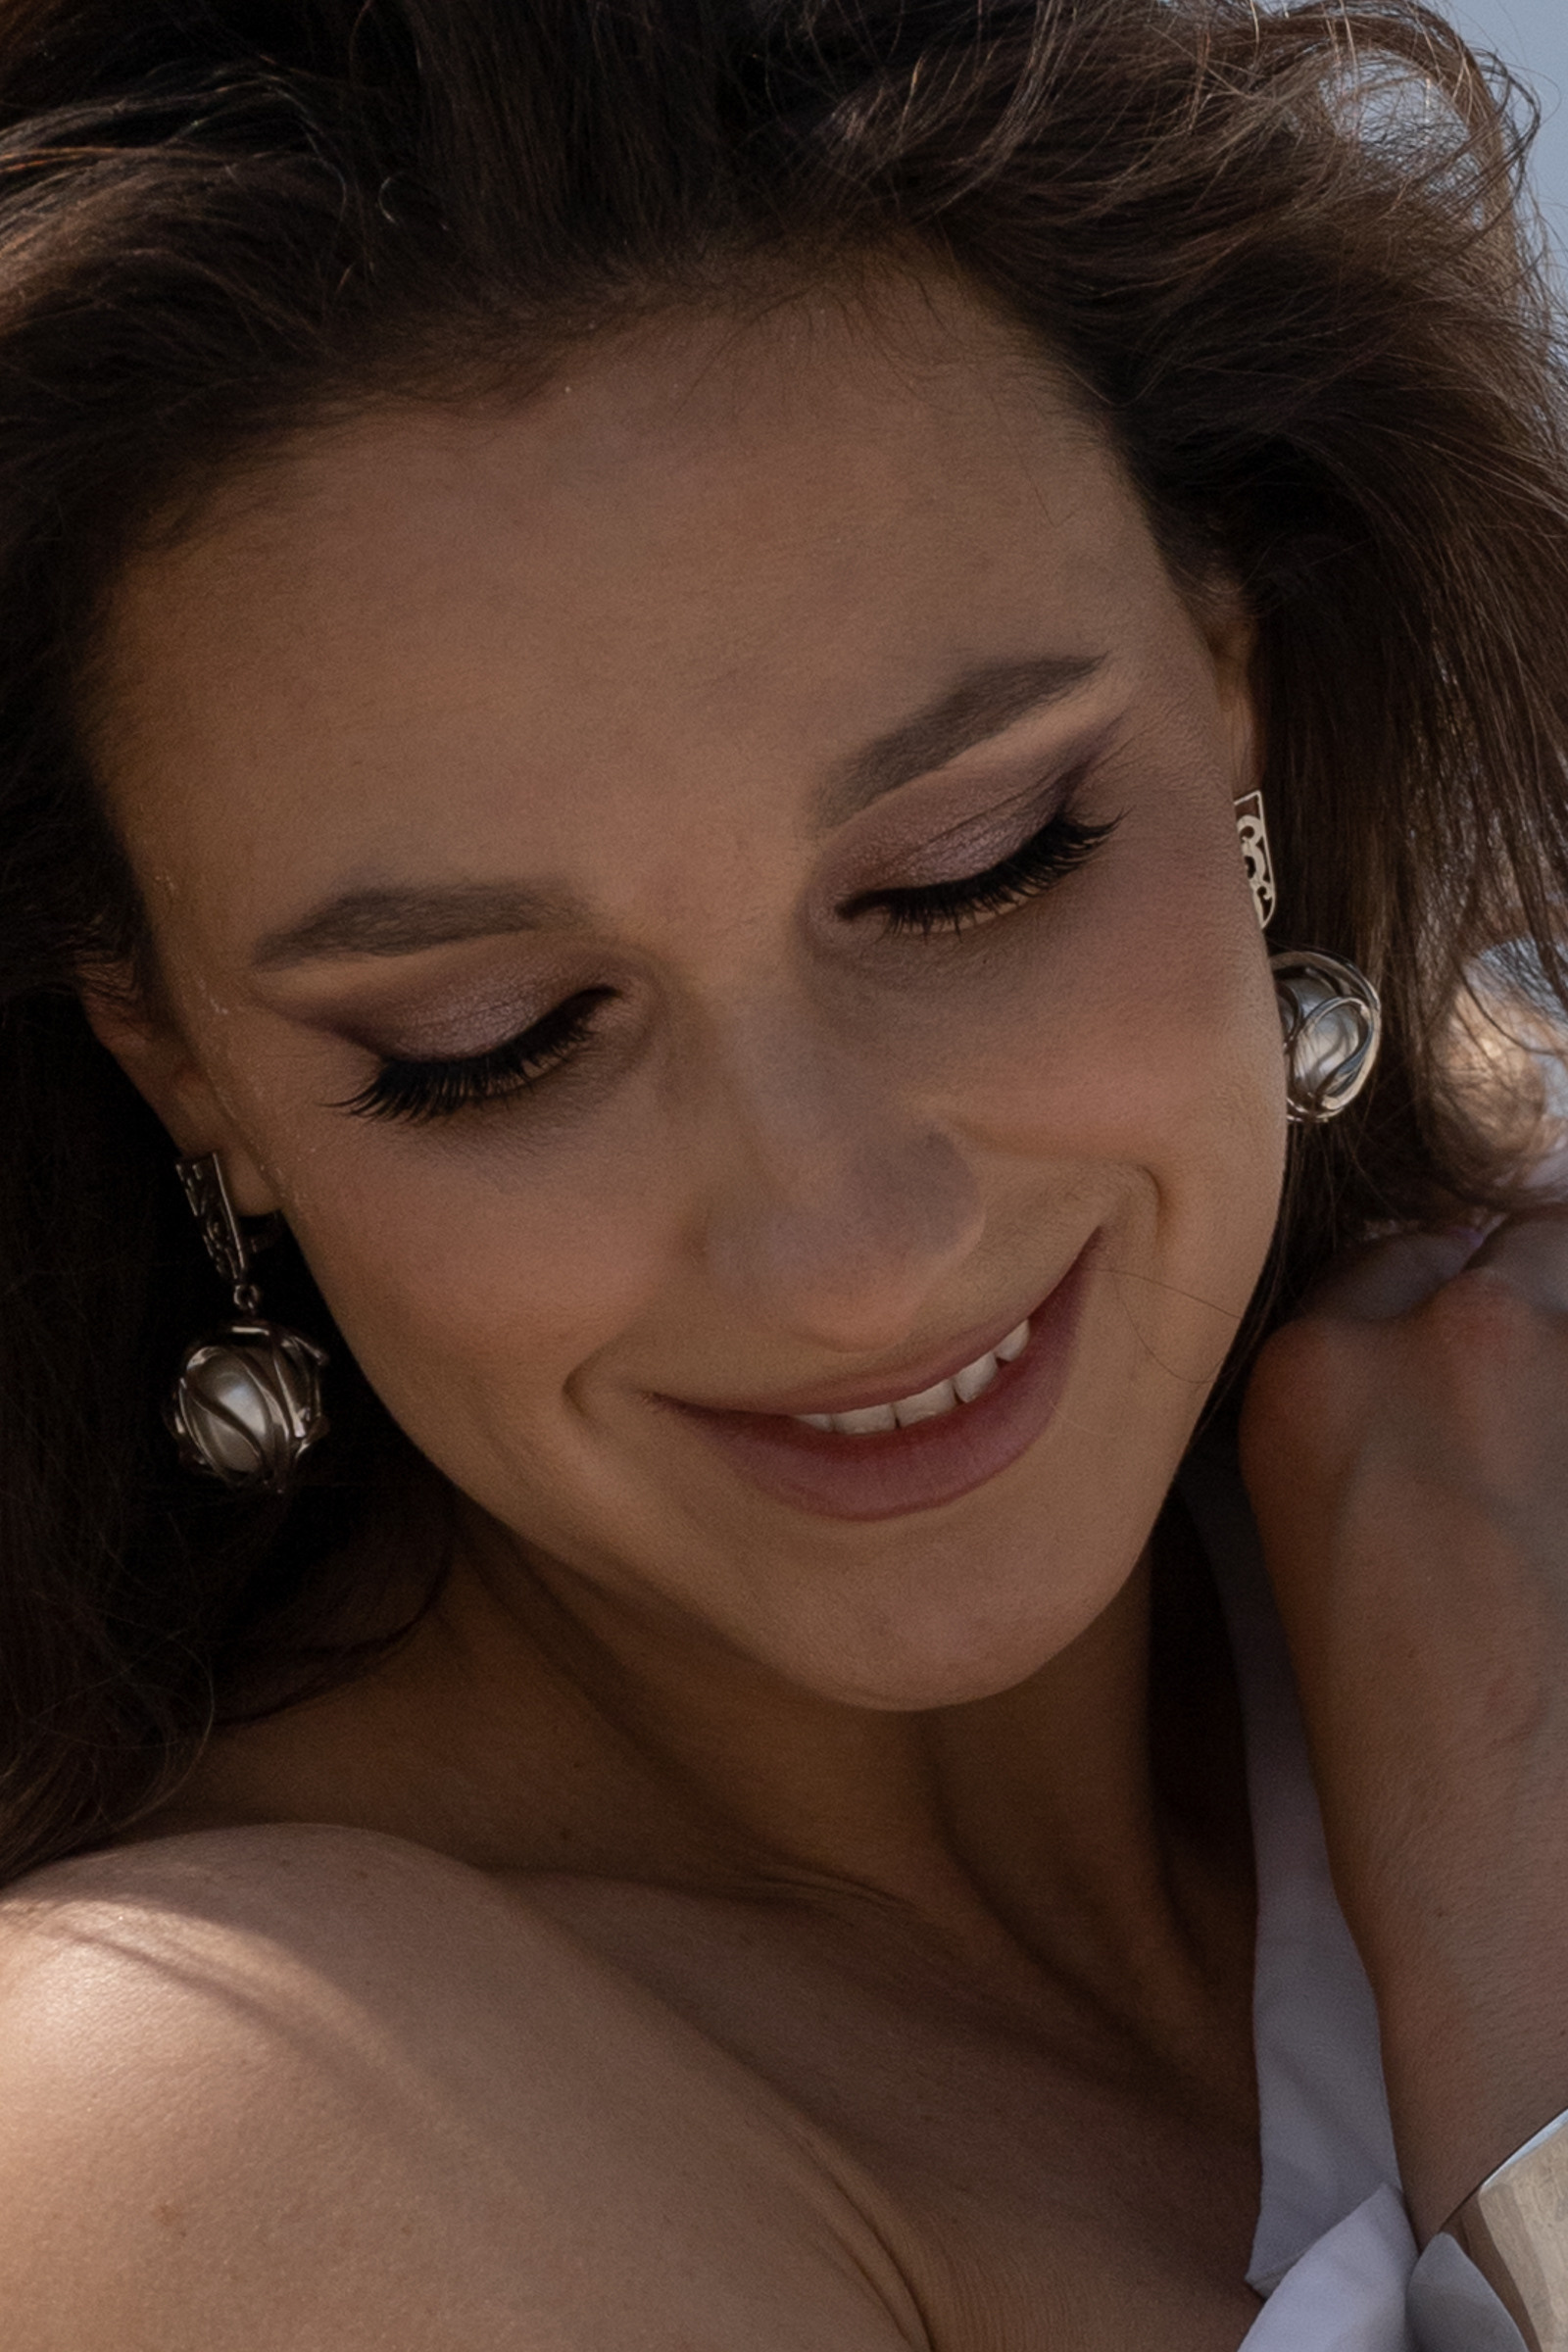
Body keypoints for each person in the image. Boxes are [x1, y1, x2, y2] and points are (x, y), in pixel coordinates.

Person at [0, 0, 1565, 2342]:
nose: (845, 1253)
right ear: (173, 1049)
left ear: (1227, 676)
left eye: (972, 871)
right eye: (493, 1045)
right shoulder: (222, 2123)